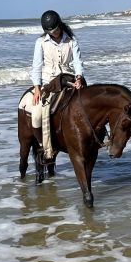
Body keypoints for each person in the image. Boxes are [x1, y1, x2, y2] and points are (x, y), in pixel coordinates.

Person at [30, 10, 85, 159]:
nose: (53, 33)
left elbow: (78, 62)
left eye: (55, 30)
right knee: (35, 115)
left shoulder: (71, 40)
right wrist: (36, 88)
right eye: (50, 32)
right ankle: (43, 146)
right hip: (48, 83)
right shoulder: (40, 42)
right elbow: (36, 66)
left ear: (60, 25)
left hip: (69, 80)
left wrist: (79, 77)